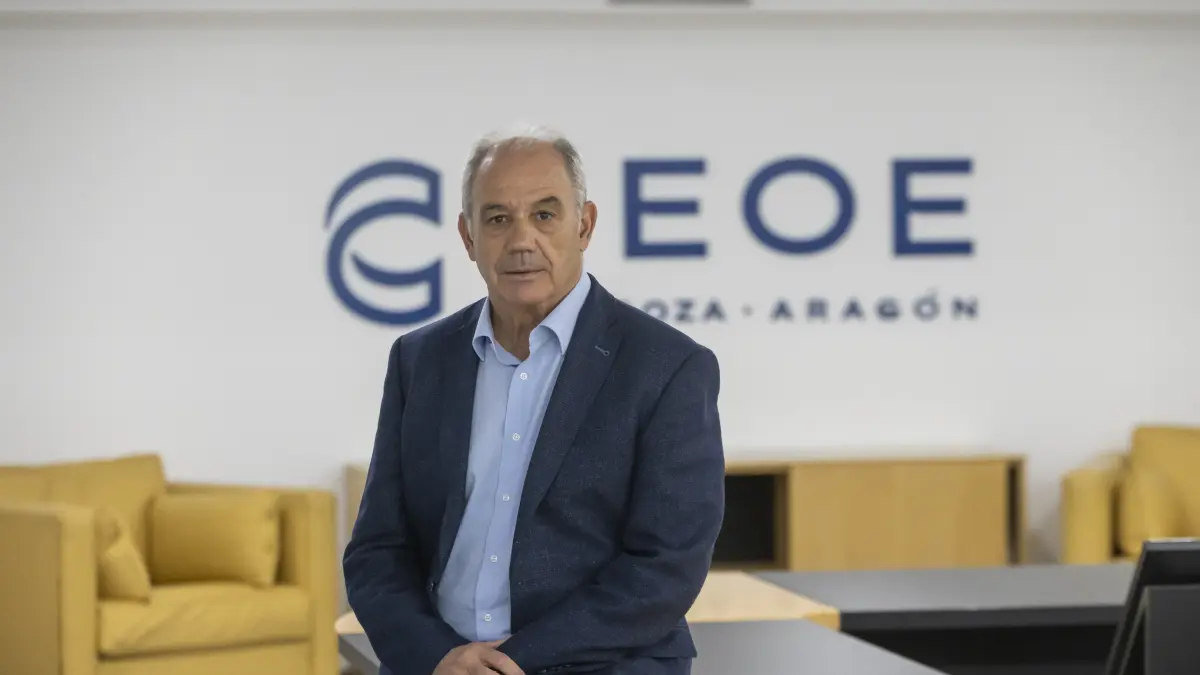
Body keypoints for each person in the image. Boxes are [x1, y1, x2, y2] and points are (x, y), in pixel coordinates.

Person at [343, 126, 726, 675]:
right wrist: (437, 656)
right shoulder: (419, 360)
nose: (522, 240)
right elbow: (377, 551)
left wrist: (510, 663)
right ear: (468, 236)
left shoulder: (667, 366)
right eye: (498, 219)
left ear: (584, 224)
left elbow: (666, 567)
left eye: (545, 214)